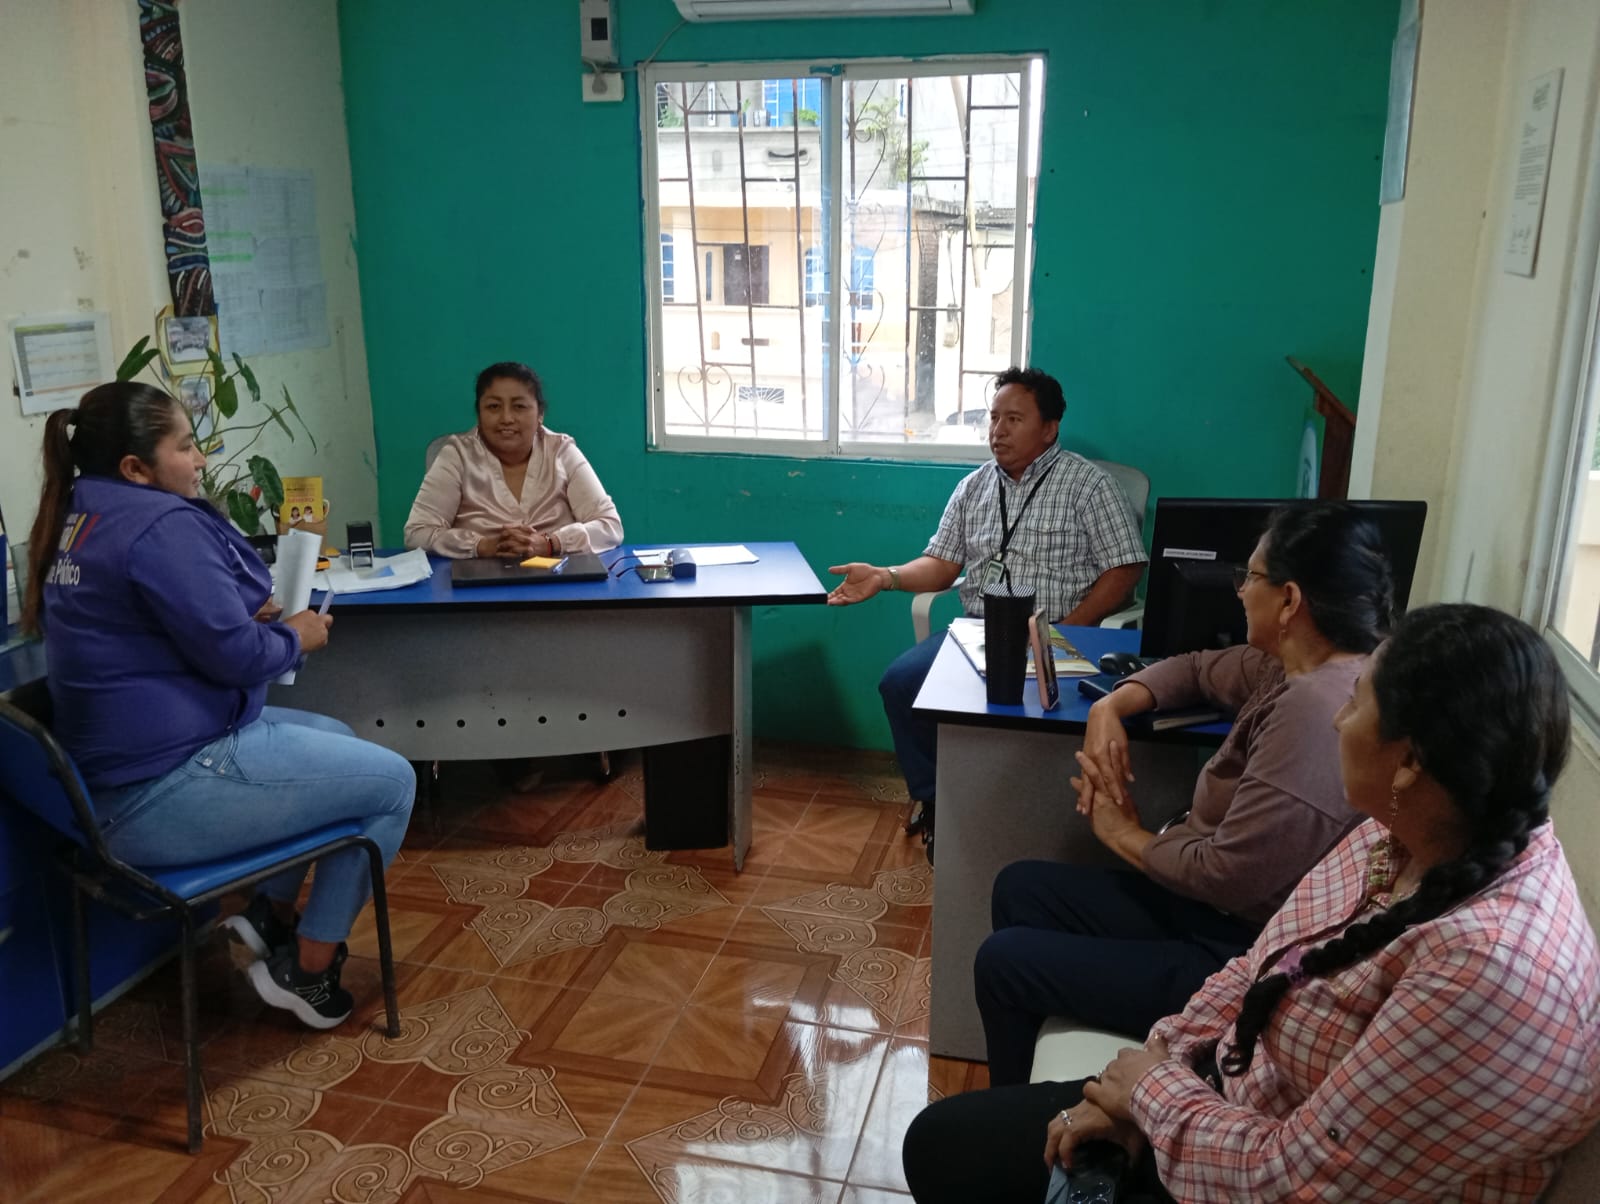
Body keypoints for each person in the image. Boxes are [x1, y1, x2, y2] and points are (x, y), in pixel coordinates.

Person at [903, 604, 1600, 1203]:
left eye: (1359, 704)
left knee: (945, 1145)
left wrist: (1148, 1098)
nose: (1340, 720)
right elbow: (1255, 970)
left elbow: (1290, 1182)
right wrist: (1148, 1082)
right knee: (953, 1135)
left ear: (1411, 760)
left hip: (1248, 1171)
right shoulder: (1399, 832)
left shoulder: (1484, 971)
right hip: (1214, 1108)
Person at [21, 381, 416, 1030]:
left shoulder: (85, 511)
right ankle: (308, 972)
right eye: (185, 446)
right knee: (393, 783)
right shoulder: (160, 524)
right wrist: (296, 636)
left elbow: (151, 623)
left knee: (339, 736)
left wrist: (240, 618)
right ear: (136, 467)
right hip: (158, 793)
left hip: (105, 789)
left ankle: (270, 919)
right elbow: (237, 658)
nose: (201, 459)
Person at [975, 502, 1389, 1086]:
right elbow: (1195, 668)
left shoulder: (1315, 710)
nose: (1239, 591)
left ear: (1290, 601)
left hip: (1234, 951)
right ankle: (1043, 1075)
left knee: (1003, 963)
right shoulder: (1290, 666)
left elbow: (1226, 876)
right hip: (1206, 912)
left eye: (1250, 577)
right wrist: (1109, 706)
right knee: (1021, 887)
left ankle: (1024, 1117)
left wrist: (1121, 833)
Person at [827, 367, 1147, 851]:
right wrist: (885, 575)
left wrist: (1069, 628)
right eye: (994, 418)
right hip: (978, 632)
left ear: (1049, 428)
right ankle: (937, 802)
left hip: (1056, 634)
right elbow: (940, 564)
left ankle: (1029, 822)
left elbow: (1124, 567)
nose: (998, 430)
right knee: (901, 683)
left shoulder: (1089, 486)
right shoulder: (973, 487)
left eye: (1014, 419)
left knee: (1029, 714)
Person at [404, 361, 622, 559]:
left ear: (540, 414)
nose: (506, 418)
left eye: (519, 406)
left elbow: (610, 525)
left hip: (558, 577)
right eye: (493, 407)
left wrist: (550, 543)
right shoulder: (457, 454)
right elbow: (417, 532)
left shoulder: (560, 450)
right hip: (479, 581)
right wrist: (482, 546)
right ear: (479, 414)